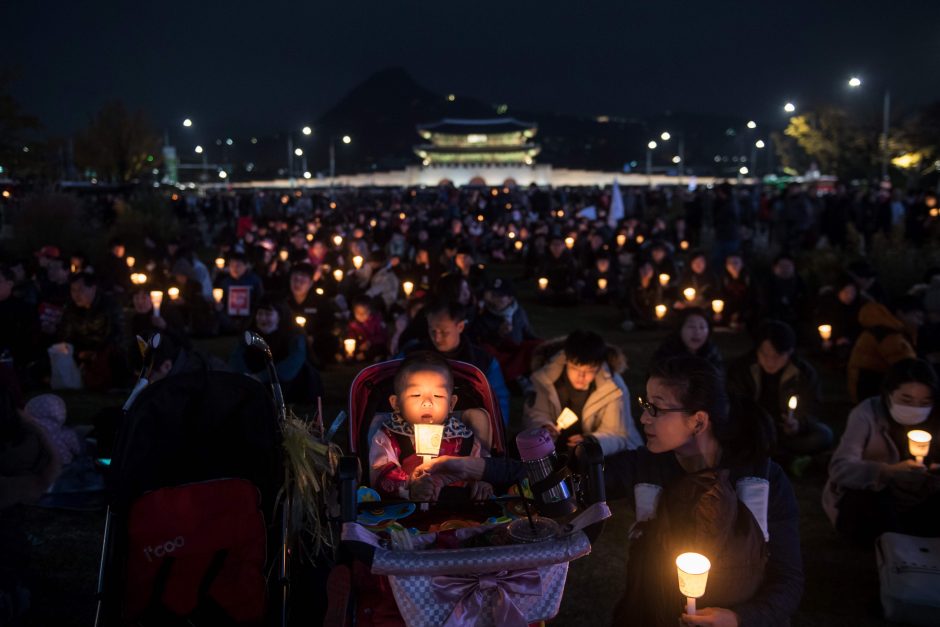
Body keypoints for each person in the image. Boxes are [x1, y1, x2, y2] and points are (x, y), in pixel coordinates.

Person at [418, 356, 803, 626]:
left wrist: (739, 618)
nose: (644, 418)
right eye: (644, 404)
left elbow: (788, 580)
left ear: (699, 421)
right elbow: (560, 479)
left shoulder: (762, 482)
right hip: (651, 613)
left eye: (657, 408)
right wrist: (477, 466)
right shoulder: (647, 464)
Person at [823, 358, 940, 545]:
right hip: (875, 496)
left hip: (921, 497)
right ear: (888, 394)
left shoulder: (936, 418)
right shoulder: (867, 413)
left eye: (925, 402)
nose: (916, 408)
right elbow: (840, 468)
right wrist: (887, 472)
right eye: (906, 399)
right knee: (869, 509)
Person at [368, 351, 492, 501]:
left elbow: (483, 466)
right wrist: (410, 484)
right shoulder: (389, 436)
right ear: (396, 403)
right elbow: (380, 473)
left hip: (458, 510)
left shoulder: (464, 437)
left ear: (451, 403)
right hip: (407, 512)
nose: (427, 402)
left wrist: (482, 483)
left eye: (438, 396)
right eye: (416, 395)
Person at [728, 320, 833, 471]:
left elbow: (813, 407)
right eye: (765, 354)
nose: (770, 361)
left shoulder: (803, 372)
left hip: (786, 432)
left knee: (823, 435)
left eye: (777, 355)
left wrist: (798, 424)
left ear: (789, 352)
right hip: (754, 431)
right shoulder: (742, 369)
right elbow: (734, 405)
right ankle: (789, 461)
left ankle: (773, 457)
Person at [523, 330, 643, 456]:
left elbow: (617, 434)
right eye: (575, 368)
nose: (581, 376)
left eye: (590, 370)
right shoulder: (546, 379)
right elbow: (534, 414)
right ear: (566, 360)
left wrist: (592, 441)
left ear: (599, 366)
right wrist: (544, 427)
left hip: (599, 455)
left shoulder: (613, 388)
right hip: (554, 451)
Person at [411, 299, 511, 421]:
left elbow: (499, 400)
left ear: (460, 326)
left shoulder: (483, 362)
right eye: (432, 331)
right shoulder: (412, 355)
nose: (437, 338)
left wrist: (497, 434)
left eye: (444, 332)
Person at [229, 296, 322, 404]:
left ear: (280, 316)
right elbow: (236, 357)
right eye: (260, 314)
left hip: (285, 381)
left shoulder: (294, 334)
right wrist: (246, 376)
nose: (263, 319)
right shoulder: (251, 333)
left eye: (268, 314)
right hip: (255, 378)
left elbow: (294, 361)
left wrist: (261, 377)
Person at [59, 272, 127, 390]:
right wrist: (77, 352)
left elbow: (115, 334)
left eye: (81, 290)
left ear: (93, 288)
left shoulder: (109, 306)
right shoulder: (71, 308)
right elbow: (66, 335)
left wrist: (95, 353)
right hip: (79, 351)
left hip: (102, 352)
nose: (76, 294)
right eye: (73, 290)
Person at [847, 298, 920, 403]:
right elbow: (907, 365)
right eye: (917, 316)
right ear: (901, 313)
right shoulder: (888, 335)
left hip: (864, 386)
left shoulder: (882, 329)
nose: (920, 322)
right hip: (872, 389)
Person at [651, 307, 724, 372]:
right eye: (691, 327)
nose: (697, 332)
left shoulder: (712, 355)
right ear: (679, 329)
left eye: (702, 327)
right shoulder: (665, 356)